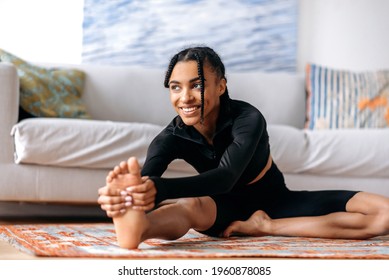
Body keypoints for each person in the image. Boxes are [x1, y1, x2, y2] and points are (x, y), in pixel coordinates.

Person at [98, 46, 389, 249]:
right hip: (222, 209)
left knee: (385, 214)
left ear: (221, 86)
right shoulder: (169, 138)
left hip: (278, 202)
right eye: (175, 87)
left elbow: (226, 177)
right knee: (190, 207)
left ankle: (265, 227)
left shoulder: (247, 118)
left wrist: (158, 188)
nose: (184, 97)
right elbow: (148, 183)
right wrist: (130, 197)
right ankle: (139, 229)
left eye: (196, 85)